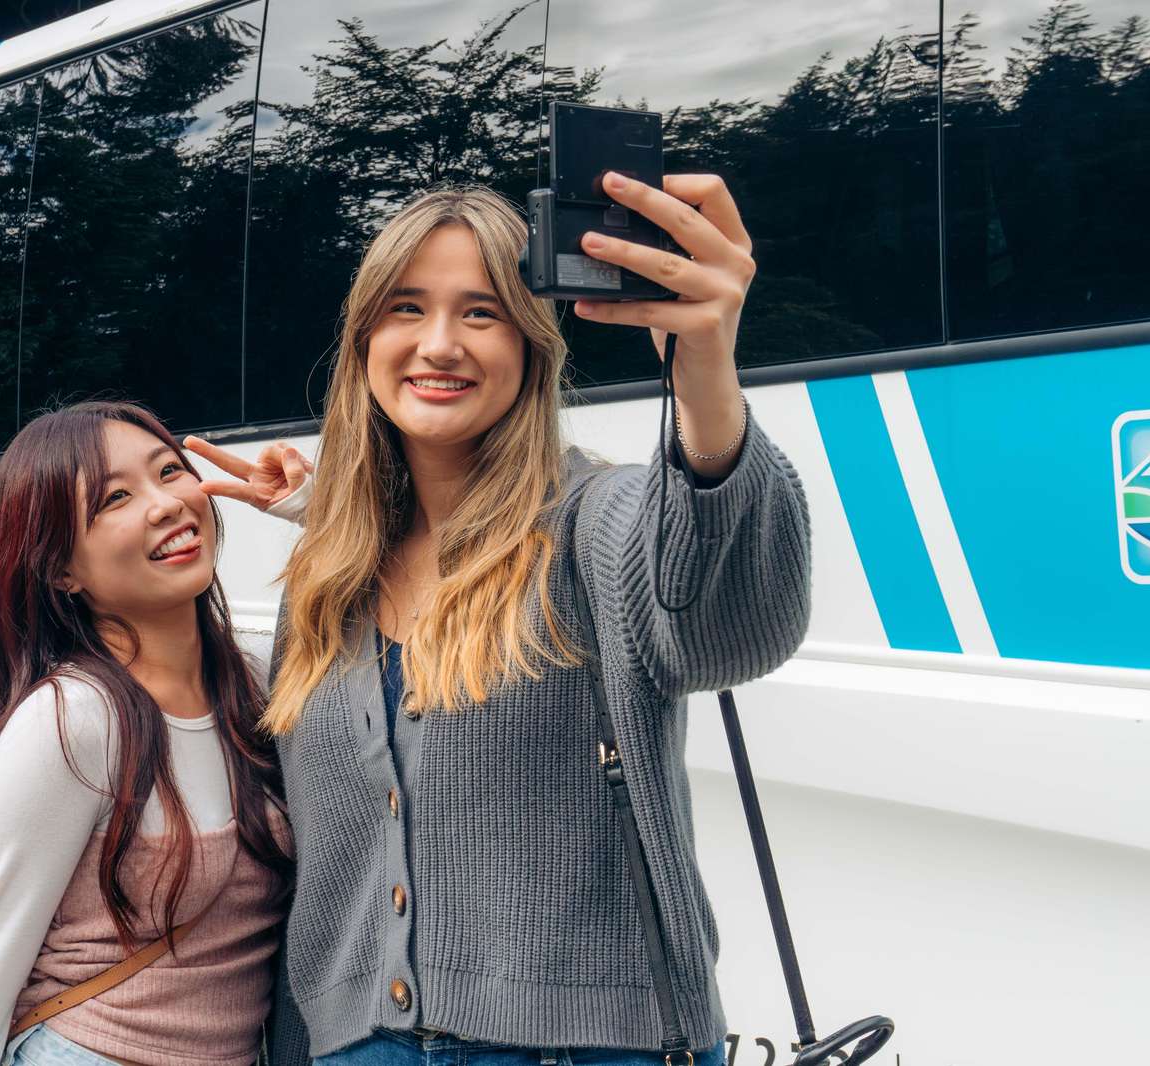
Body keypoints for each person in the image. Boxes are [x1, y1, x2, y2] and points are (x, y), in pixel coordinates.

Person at [189, 176, 808, 1065]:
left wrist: (705, 376)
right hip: (354, 1048)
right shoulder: (326, 580)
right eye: (407, 307)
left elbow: (725, 629)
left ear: (530, 345)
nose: (438, 344)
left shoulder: (593, 521)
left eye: (481, 313)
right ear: (365, 339)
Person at [0, 401, 301, 1066]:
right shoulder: (70, 721)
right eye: (115, 498)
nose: (165, 505)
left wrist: (316, 511)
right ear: (62, 569)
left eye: (170, 473)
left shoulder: (260, 677)